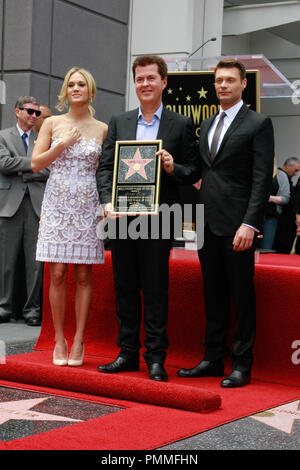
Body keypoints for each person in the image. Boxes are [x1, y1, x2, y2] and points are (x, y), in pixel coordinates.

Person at [96, 54, 199, 381]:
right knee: (125, 287)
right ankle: (127, 353)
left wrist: (172, 167)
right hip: (121, 216)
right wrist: (105, 202)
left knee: (155, 289)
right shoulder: (120, 121)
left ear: (164, 82)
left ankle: (155, 358)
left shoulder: (180, 125)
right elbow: (104, 167)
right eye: (139, 79)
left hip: (160, 217)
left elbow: (194, 170)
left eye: (151, 78)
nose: (145, 84)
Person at [177, 59, 274, 387]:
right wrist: (171, 166)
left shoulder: (258, 123)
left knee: (241, 294)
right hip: (206, 222)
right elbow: (198, 173)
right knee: (213, 293)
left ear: (243, 84)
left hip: (238, 226)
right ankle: (213, 359)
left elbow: (262, 180)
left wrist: (251, 224)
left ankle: (242, 364)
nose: (222, 86)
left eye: (230, 80)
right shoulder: (205, 125)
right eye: (218, 80)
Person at [31, 67, 107, 366]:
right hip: (57, 201)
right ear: (66, 90)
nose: (76, 88)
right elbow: (36, 164)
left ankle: (79, 340)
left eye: (82, 84)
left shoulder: (102, 128)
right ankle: (59, 339)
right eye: (71, 84)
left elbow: (106, 170)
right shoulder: (51, 122)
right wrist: (62, 145)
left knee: (84, 275)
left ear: (90, 90)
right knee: (58, 273)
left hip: (88, 202)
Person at [0, 96, 49, 326]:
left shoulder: (43, 139)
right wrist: (33, 165)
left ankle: (32, 311)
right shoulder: (2, 135)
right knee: (5, 262)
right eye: (29, 111)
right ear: (17, 111)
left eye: (37, 113)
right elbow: (4, 164)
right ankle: (4, 307)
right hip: (9, 206)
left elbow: (50, 169)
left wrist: (24, 168)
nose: (33, 116)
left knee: (35, 263)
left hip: (36, 205)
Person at [273, 157, 300, 254]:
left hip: (285, 222)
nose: (296, 174)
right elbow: (286, 199)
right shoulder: (282, 176)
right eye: (296, 170)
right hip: (282, 222)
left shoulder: (283, 177)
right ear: (288, 166)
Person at [260, 162, 290, 250]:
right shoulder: (256, 171)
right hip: (253, 215)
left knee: (266, 248)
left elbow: (286, 198)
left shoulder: (280, 175)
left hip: (270, 217)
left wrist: (267, 198)